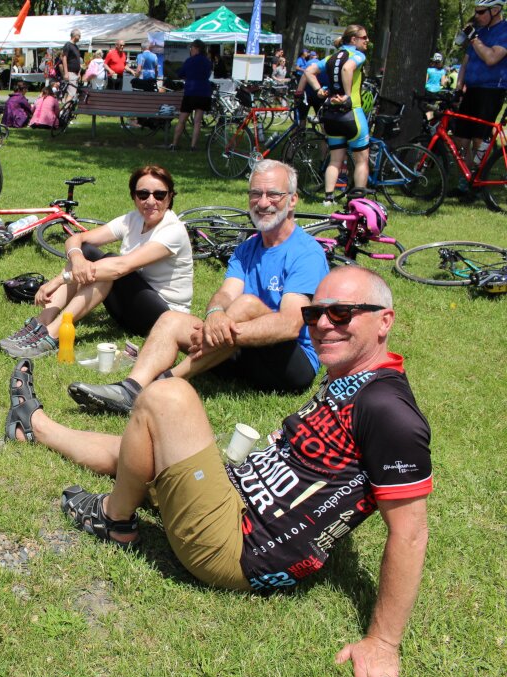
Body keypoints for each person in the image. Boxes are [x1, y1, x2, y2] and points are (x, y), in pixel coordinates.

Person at [5, 265, 430, 677]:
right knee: (142, 448)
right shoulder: (354, 376)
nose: (322, 325)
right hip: (236, 494)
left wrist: (383, 642)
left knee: (167, 397)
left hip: (241, 547)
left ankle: (114, 520)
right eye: (314, 313)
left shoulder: (388, 410)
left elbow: (410, 533)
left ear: (384, 321)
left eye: (340, 313)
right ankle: (36, 427)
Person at [68, 160, 328, 414]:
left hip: (289, 365)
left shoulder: (306, 253)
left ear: (292, 200)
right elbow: (225, 293)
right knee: (170, 319)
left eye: (273, 194)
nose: (262, 202)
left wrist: (216, 334)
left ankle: (165, 382)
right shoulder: (247, 248)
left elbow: (289, 325)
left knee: (246, 305)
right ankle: (130, 389)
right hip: (240, 351)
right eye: (255, 194)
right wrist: (215, 315)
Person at [0, 166, 193, 360]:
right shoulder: (133, 219)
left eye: (159, 195)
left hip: (163, 319)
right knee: (85, 251)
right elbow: (76, 239)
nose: (151, 201)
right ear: (134, 197)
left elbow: (120, 268)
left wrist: (60, 279)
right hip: (129, 308)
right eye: (143, 194)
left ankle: (53, 334)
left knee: (110, 265)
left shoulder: (173, 231)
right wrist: (77, 260)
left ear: (170, 197)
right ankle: (43, 321)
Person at [306, 25, 371, 206]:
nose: (367, 41)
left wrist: (319, 90)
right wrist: (348, 96)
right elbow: (347, 69)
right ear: (353, 40)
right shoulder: (358, 55)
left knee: (335, 160)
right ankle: (359, 201)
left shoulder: (331, 57)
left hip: (331, 114)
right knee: (362, 160)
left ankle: (328, 198)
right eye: (364, 37)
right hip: (352, 113)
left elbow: (309, 71)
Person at [454, 0, 507, 197]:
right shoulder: (479, 32)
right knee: (460, 138)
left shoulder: (504, 30)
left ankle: (479, 185)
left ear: (496, 10)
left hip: (492, 90)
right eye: (476, 12)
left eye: (481, 12)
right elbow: (465, 63)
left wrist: (474, 38)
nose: (477, 16)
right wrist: (458, 89)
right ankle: (466, 181)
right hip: (472, 90)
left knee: (479, 140)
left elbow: (491, 58)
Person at [171, 39, 213, 151]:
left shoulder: (189, 61)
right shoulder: (207, 62)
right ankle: (193, 146)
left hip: (190, 92)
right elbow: (208, 74)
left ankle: (174, 144)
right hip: (204, 92)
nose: (191, 50)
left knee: (182, 120)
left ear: (197, 49)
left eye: (192, 48)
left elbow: (180, 74)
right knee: (197, 122)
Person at [60, 29, 83, 102]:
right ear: (75, 36)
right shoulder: (68, 45)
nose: (80, 37)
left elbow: (77, 60)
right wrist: (66, 73)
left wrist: (79, 73)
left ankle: (66, 108)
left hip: (75, 73)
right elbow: (64, 58)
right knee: (72, 94)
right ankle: (66, 108)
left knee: (71, 93)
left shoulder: (76, 46)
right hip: (70, 73)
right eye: (79, 36)